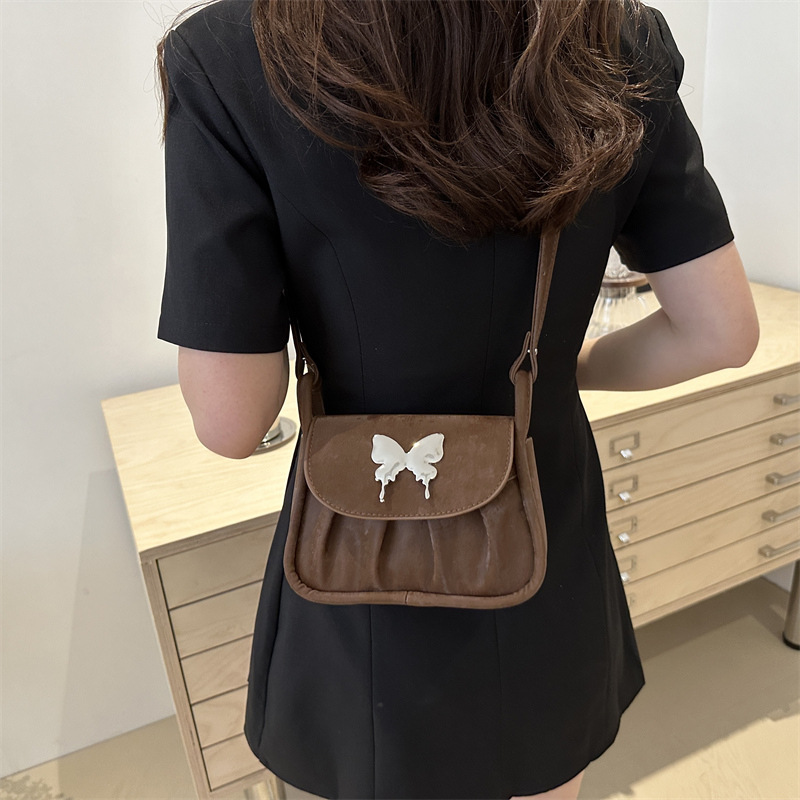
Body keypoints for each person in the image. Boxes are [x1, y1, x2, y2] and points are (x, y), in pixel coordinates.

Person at [154, 1, 759, 798]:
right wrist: (559, 369)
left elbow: (232, 422)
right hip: (546, 545)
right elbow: (720, 333)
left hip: (355, 556)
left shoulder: (228, 52)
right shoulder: (616, 36)